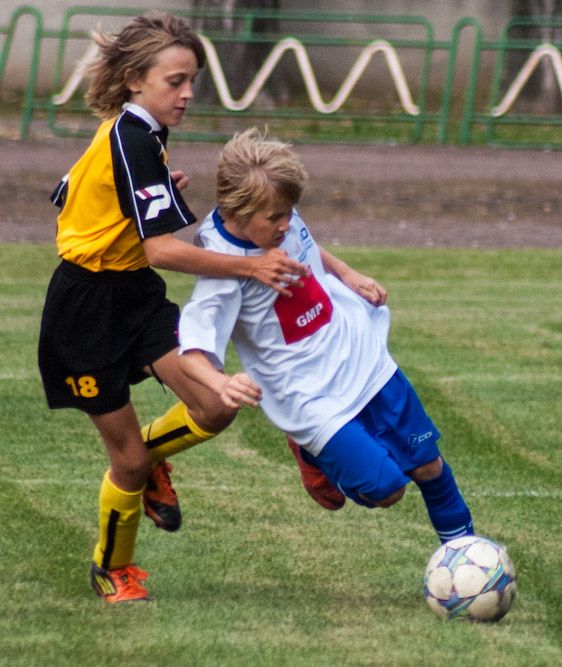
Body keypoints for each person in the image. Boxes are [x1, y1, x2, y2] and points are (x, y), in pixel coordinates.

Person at [37, 12, 307, 604]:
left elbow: (66, 193)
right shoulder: (132, 137)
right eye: (176, 81)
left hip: (133, 295)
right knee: (126, 464)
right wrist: (251, 265)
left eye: (192, 82)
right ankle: (113, 567)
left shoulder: (140, 135)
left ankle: (151, 461)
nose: (187, 94)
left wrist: (149, 194)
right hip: (85, 312)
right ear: (136, 78)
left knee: (213, 405)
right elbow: (161, 251)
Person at [177, 128, 476, 547]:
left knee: (429, 466)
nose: (286, 223)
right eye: (275, 218)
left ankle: (467, 552)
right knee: (388, 490)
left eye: (289, 211)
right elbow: (191, 353)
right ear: (238, 212)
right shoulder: (222, 274)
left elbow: (307, 245)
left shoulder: (274, 213)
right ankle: (310, 451)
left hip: (359, 355)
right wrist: (222, 383)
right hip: (308, 395)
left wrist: (348, 274)